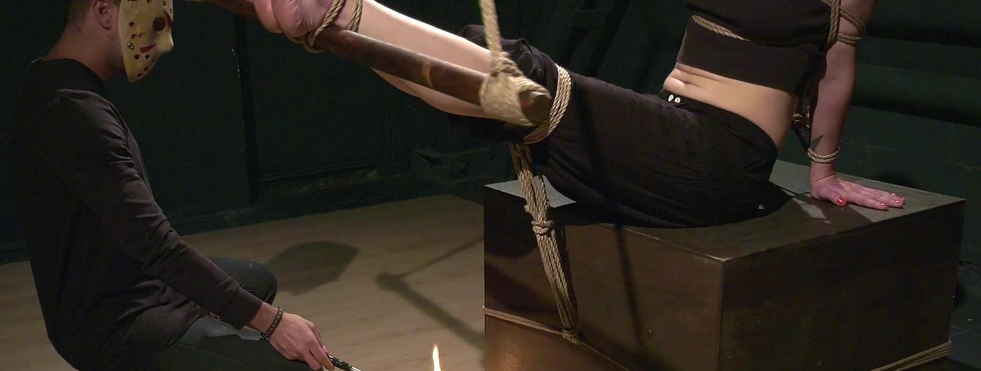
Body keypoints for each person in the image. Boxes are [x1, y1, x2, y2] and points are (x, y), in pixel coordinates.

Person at [11, 0, 333, 371]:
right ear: (105, 11)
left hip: (123, 284)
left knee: (254, 282)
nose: (163, 44)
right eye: (156, 24)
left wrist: (253, 311)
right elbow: (155, 244)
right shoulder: (73, 112)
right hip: (110, 319)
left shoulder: (55, 83)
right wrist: (271, 322)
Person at [250, 0, 905, 227]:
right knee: (501, 91)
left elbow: (835, 69)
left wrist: (823, 173)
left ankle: (336, 13)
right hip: (675, 126)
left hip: (722, 161)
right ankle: (331, 25)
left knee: (524, 80)